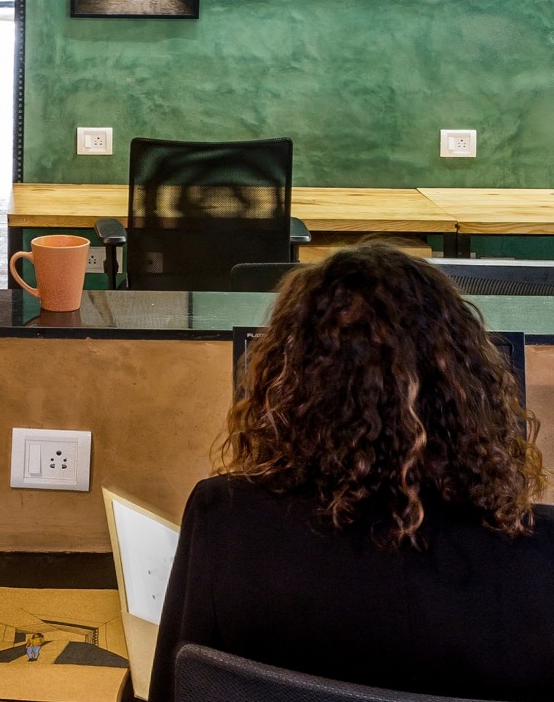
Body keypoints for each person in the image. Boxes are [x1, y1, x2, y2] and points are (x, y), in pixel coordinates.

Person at [149, 241, 554, 702]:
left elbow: (175, 687)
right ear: (469, 388)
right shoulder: (539, 555)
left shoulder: (224, 518)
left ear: (288, 386)